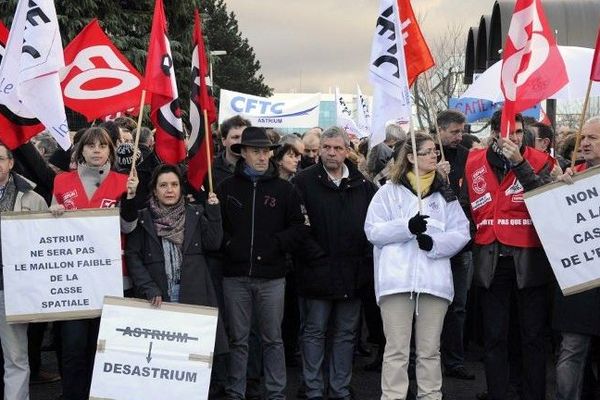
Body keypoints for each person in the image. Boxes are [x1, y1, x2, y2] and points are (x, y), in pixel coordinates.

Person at [364, 131, 470, 400]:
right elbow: (373, 231)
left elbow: (461, 231)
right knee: (397, 349)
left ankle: (430, 395)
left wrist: (434, 245)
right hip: (396, 281)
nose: (435, 155)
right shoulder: (389, 191)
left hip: (434, 282)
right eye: (427, 151)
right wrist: (406, 228)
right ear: (411, 157)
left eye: (435, 151)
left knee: (429, 350)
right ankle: (393, 396)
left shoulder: (445, 194)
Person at [461, 110, 554, 400]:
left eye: (518, 132)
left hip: (529, 259)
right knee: (494, 337)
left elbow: (546, 198)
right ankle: (498, 393)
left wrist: (519, 163)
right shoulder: (474, 161)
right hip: (490, 258)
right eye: (506, 133)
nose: (512, 138)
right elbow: (467, 206)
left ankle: (532, 394)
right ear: (493, 134)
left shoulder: (540, 161)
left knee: (532, 337)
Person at [216, 126, 308, 400]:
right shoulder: (226, 188)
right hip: (235, 275)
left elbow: (300, 227)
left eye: (266, 151)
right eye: (255, 151)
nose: (261, 156)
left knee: (273, 339)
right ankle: (236, 390)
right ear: (242, 153)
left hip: (272, 277)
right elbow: (215, 227)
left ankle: (276, 392)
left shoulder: (285, 190)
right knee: (239, 339)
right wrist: (231, 246)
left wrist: (276, 244)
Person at [51, 127, 139, 400]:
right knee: (74, 348)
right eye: (91, 146)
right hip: (73, 282)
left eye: (103, 146)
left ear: (110, 150)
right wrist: (51, 214)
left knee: (103, 348)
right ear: (81, 150)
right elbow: (49, 235)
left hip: (110, 279)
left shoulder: (124, 181)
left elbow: (129, 227)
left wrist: (133, 199)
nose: (97, 150)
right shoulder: (62, 182)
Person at [294, 126, 377, 400]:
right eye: (327, 147)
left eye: (337, 148)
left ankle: (340, 388)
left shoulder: (363, 185)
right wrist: (315, 256)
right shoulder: (303, 181)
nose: (331, 153)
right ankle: (314, 389)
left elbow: (373, 225)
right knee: (314, 332)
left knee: (345, 335)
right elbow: (297, 225)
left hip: (352, 274)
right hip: (316, 272)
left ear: (347, 150)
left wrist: (362, 259)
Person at [125, 164, 227, 356]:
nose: (169, 190)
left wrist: (214, 211)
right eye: (163, 185)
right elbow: (133, 256)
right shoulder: (143, 218)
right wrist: (149, 287)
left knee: (193, 352)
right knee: (162, 354)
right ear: (155, 190)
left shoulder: (195, 214)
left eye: (174, 184)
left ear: (181, 188)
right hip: (158, 295)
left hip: (193, 294)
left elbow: (214, 243)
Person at [553, 116, 600, 400]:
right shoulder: (570, 176)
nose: (583, 142)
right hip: (578, 279)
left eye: (592, 138)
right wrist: (558, 192)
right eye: (583, 137)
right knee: (571, 351)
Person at [0, 142, 48, 400]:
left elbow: (47, 243)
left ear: (10, 163)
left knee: (16, 356)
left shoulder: (33, 198)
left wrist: (57, 218)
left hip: (12, 289)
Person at [434, 110, 476, 380]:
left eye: (461, 131)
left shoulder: (467, 156)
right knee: (430, 305)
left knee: (458, 306)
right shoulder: (422, 151)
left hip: (461, 243)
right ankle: (424, 358)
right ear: (439, 129)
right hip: (433, 245)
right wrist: (435, 175)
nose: (459, 137)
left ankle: (455, 361)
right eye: (453, 132)